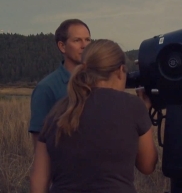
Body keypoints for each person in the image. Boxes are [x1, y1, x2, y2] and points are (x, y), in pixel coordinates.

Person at [30, 39, 158, 193]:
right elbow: (147, 166)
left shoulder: (57, 111)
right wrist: (143, 114)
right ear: (120, 70)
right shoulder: (133, 106)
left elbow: (39, 180)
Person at [28, 19, 92, 150]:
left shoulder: (97, 81)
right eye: (77, 40)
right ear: (62, 46)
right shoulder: (46, 88)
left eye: (87, 40)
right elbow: (39, 140)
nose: (84, 45)